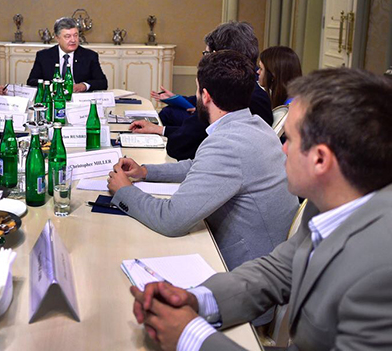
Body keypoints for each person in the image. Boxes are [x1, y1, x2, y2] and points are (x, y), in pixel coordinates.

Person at [129, 68, 392, 351]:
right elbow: (276, 271)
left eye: (289, 139)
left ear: (320, 160)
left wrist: (189, 337)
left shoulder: (379, 272)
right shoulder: (330, 199)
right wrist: (195, 299)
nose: (282, 151)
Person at [107, 50, 297, 271]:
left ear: (205, 96)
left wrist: (124, 191)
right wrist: (146, 172)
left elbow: (171, 220)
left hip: (247, 271)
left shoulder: (227, 143)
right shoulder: (256, 125)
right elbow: (202, 166)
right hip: (273, 259)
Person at [131, 22, 273, 160]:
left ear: (221, 58)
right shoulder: (253, 91)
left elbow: (181, 145)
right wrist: (160, 130)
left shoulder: (231, 95)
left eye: (207, 53)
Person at [26, 17, 108, 91]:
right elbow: (31, 81)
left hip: (79, 100)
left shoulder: (89, 56)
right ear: (57, 38)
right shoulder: (44, 56)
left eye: (75, 35)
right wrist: (46, 85)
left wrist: (84, 86)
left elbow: (102, 83)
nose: (73, 40)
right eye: (67, 36)